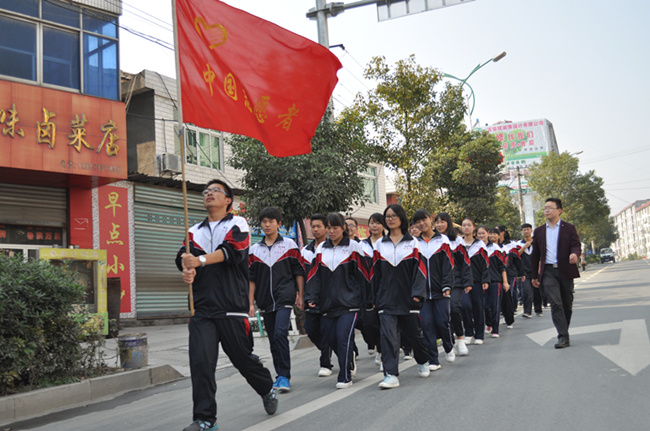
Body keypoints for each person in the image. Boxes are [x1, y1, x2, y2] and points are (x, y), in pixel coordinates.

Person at [177, 179, 277, 431]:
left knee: (243, 360)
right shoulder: (193, 231)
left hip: (232, 307)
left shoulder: (237, 223)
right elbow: (182, 258)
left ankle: (266, 388)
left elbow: (233, 251)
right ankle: (205, 419)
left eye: (215, 191)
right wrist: (186, 269)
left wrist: (198, 261)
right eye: (205, 191)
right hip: (202, 309)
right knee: (201, 363)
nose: (208, 194)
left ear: (228, 200)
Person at [305, 213, 369, 389]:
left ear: (343, 228)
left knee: (342, 339)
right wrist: (311, 296)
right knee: (331, 339)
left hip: (350, 304)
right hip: (327, 305)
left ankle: (344, 375)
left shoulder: (353, 247)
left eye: (335, 227)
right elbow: (313, 277)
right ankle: (349, 359)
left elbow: (364, 275)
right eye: (329, 228)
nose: (331, 231)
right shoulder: (320, 250)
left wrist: (366, 299)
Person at [371, 204, 431, 388]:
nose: (390, 219)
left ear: (401, 218)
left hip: (409, 298)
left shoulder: (413, 243)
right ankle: (390, 374)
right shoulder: (380, 244)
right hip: (386, 300)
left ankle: (422, 360)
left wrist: (417, 294)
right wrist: (375, 298)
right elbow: (375, 274)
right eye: (387, 216)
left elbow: (420, 271)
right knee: (388, 336)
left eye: (393, 216)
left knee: (414, 335)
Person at [248, 207, 305, 392]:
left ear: (279, 224)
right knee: (273, 339)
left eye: (271, 221)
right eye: (264, 221)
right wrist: (250, 303)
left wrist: (300, 295)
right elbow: (251, 279)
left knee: (280, 333)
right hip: (265, 300)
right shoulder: (255, 250)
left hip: (285, 296)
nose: (267, 224)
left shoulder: (289, 245)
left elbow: (298, 271)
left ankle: (284, 376)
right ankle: (279, 375)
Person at [530, 198, 581, 349]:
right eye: (545, 208)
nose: (546, 210)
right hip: (548, 272)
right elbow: (535, 255)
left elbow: (576, 245)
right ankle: (563, 336)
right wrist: (534, 275)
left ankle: (564, 330)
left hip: (566, 269)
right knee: (556, 303)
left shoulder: (569, 228)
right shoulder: (539, 231)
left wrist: (575, 255)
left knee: (567, 304)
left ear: (559, 210)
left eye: (550, 208)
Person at [412, 209, 453, 370]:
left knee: (443, 322)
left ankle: (449, 345)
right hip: (423, 294)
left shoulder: (442, 240)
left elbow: (448, 264)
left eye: (424, 220)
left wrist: (447, 285)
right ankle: (433, 360)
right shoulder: (414, 243)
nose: (422, 224)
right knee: (427, 324)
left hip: (441, 290)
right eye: (418, 222)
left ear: (430, 219)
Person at [300, 214, 333, 378]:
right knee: (311, 329)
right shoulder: (305, 251)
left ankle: (325, 363)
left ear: (326, 228)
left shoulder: (331, 248)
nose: (315, 229)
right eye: (312, 226)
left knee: (326, 329)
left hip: (329, 296)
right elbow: (300, 275)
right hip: (311, 296)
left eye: (318, 226)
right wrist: (300, 295)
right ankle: (334, 349)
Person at [435, 212, 472, 357]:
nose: (439, 225)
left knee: (455, 309)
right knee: (442, 315)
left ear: (448, 223)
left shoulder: (457, 241)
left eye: (442, 221)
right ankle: (448, 342)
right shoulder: (433, 240)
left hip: (455, 281)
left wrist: (467, 282)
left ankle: (460, 338)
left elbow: (465, 263)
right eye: (437, 222)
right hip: (437, 282)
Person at [359, 213, 386, 367]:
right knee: (369, 325)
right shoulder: (361, 246)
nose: (374, 226)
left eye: (378, 223)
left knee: (384, 324)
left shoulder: (387, 243)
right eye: (372, 223)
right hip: (366, 291)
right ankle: (378, 347)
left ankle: (384, 353)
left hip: (384, 290)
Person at [461, 218, 489, 345]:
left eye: (469, 225)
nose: (466, 227)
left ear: (474, 228)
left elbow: (485, 264)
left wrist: (485, 279)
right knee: (465, 306)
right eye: (464, 225)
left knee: (478, 307)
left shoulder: (480, 245)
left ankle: (479, 334)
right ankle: (468, 332)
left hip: (477, 281)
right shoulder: (458, 244)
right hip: (462, 282)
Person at [484, 227, 510, 338]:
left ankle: (495, 328)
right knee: (485, 306)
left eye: (483, 233)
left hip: (495, 280)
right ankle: (488, 322)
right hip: (482, 281)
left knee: (495, 305)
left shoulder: (496, 248)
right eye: (479, 234)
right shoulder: (475, 248)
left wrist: (505, 281)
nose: (481, 236)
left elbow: (502, 266)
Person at [497, 226, 522, 328]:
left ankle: (509, 318)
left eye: (497, 232)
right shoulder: (490, 246)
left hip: (510, 274)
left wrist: (521, 273)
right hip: (496, 275)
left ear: (503, 232)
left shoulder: (511, 245)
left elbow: (517, 259)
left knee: (509, 295)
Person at [518, 223, 537, 318]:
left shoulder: (537, 242)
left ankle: (538, 309)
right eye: (524, 230)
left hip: (535, 270)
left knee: (537, 291)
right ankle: (527, 311)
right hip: (524, 271)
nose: (526, 231)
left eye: (527, 229)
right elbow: (516, 255)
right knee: (526, 291)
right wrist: (524, 246)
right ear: (522, 232)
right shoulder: (519, 244)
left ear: (531, 230)